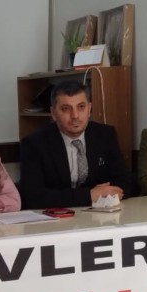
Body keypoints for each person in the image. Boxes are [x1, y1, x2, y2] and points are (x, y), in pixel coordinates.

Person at [19, 80, 130, 209]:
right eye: (66, 109)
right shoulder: (34, 144)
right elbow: (33, 196)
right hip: (56, 216)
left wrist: (107, 194)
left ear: (89, 109)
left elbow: (124, 182)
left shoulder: (105, 135)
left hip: (100, 213)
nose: (75, 116)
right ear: (53, 113)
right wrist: (89, 195)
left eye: (81, 107)